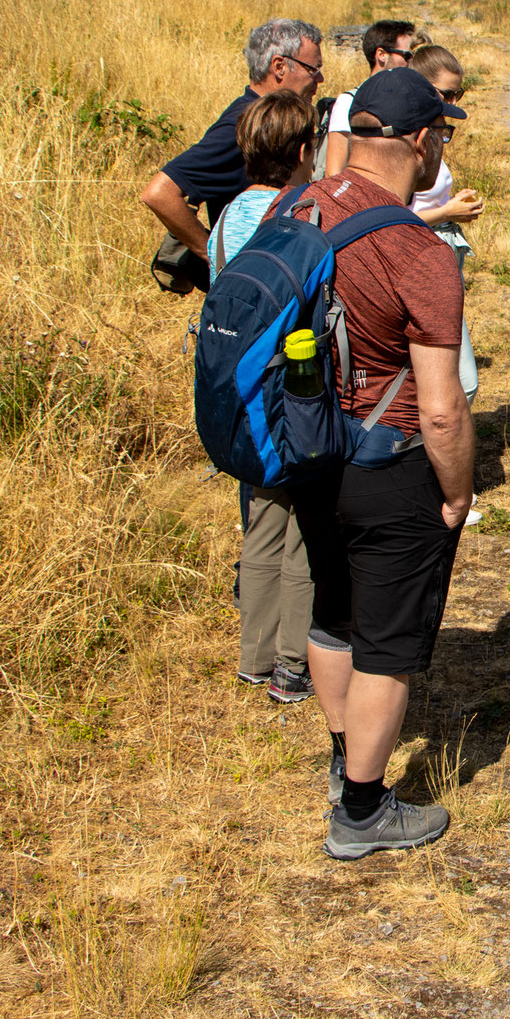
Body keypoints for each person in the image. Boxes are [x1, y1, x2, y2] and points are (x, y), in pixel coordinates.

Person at [280, 66, 474, 861]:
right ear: (423, 142)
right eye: (446, 136)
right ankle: (362, 810)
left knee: (333, 609)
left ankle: (340, 758)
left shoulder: (299, 207)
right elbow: (439, 406)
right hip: (388, 460)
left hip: (307, 447)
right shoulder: (418, 249)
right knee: (388, 644)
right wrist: (457, 491)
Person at [210, 90, 322, 704]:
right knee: (303, 531)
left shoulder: (228, 219)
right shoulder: (302, 213)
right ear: (305, 149)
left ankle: (252, 659)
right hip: (291, 397)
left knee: (259, 527)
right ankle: (290, 665)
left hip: (238, 399)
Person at [142, 19, 324, 266]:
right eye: (313, 69)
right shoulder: (239, 126)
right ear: (279, 66)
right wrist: (213, 256)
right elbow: (159, 193)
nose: (320, 79)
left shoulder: (261, 119)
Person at [405, 43, 485, 408]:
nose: (454, 100)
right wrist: (448, 212)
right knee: (462, 383)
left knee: (455, 381)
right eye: (447, 92)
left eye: (459, 92)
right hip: (420, 263)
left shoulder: (433, 132)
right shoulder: (406, 141)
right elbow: (392, 216)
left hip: (441, 262)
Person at [315, 19, 417, 179]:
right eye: (406, 55)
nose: (410, 61)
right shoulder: (348, 103)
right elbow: (333, 174)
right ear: (381, 55)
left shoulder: (406, 102)